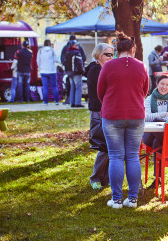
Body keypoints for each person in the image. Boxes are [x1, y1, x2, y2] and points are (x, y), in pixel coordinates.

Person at [98, 33, 149, 209]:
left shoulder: (108, 66)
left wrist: (109, 103)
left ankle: (117, 200)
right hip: (136, 115)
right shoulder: (142, 66)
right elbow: (145, 91)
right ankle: (132, 199)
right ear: (132, 49)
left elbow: (100, 91)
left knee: (116, 156)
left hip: (112, 114)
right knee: (133, 156)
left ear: (117, 50)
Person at [142, 73, 168, 187]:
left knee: (157, 142)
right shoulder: (149, 99)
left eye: (167, 85)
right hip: (150, 134)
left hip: (164, 133)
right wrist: (162, 115)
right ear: (157, 84)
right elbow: (146, 117)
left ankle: (158, 179)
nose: (164, 87)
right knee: (157, 139)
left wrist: (156, 118)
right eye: (162, 84)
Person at [85, 43, 114, 190]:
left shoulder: (105, 69)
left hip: (107, 111)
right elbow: (99, 94)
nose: (110, 57)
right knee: (104, 146)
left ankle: (105, 178)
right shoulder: (95, 70)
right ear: (98, 54)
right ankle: (95, 177)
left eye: (112, 55)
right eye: (107, 54)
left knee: (110, 146)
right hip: (99, 111)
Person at [37, 39, 59, 105]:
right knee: (54, 86)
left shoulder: (40, 51)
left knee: (45, 87)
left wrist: (40, 67)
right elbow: (55, 59)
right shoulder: (52, 50)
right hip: (52, 70)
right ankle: (56, 101)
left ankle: (45, 101)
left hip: (43, 71)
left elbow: (38, 60)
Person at [65, 41, 84, 107]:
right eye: (76, 45)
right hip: (76, 72)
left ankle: (72, 102)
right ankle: (78, 103)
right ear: (72, 46)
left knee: (72, 87)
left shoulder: (67, 52)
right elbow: (79, 63)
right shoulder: (76, 52)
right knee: (78, 87)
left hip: (69, 72)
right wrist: (82, 71)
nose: (77, 46)